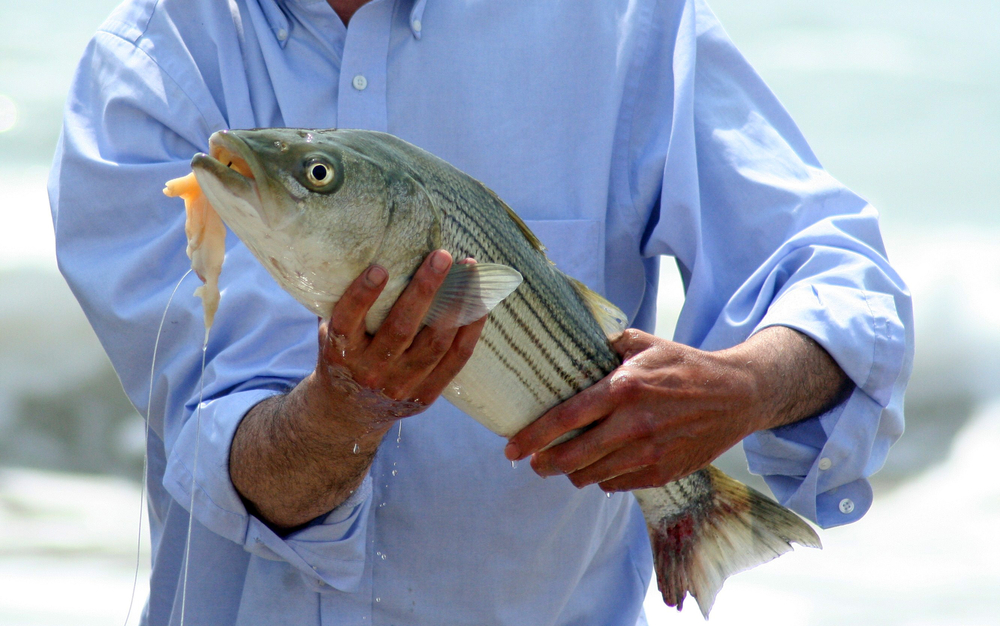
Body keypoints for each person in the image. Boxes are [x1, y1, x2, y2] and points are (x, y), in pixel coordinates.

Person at [49, 0, 913, 624]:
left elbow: (841, 273)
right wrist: (346, 408)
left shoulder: (618, 23)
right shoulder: (150, 69)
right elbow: (227, 445)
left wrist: (745, 387)